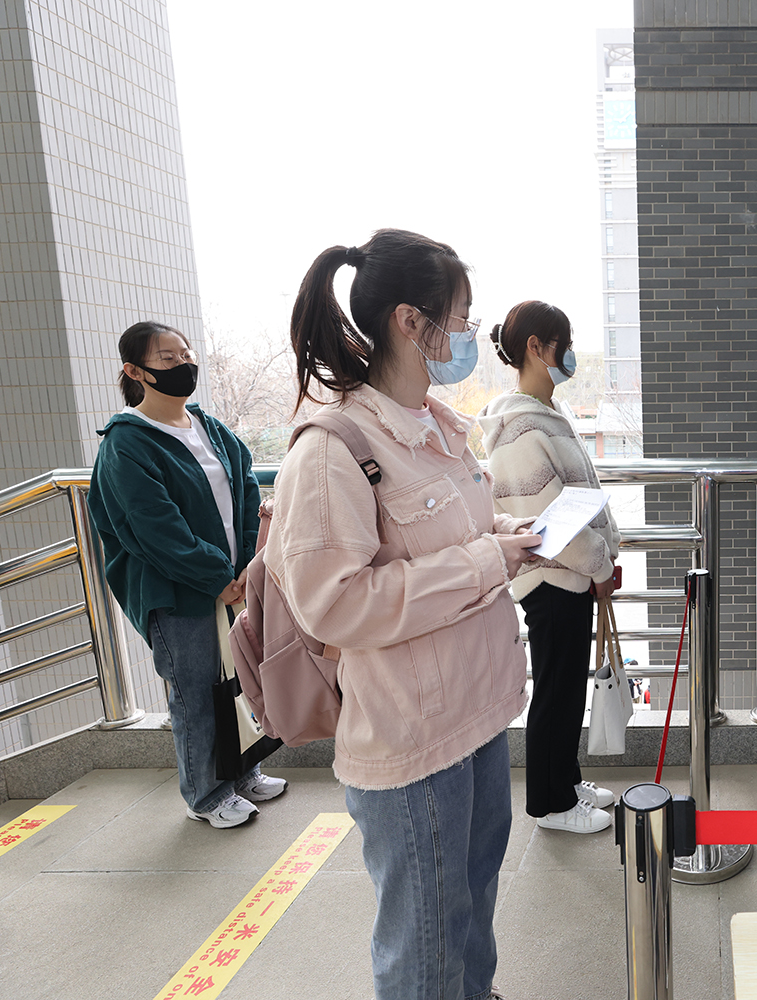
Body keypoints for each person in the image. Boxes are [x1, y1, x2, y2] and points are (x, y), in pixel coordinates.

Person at [267, 229, 541, 1000]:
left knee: (472, 914)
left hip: (476, 715)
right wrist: (487, 560)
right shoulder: (333, 448)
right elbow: (334, 604)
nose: (468, 335)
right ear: (409, 322)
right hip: (412, 742)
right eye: (459, 318)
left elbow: (450, 535)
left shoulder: (436, 429)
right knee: (425, 945)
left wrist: (508, 538)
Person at [88, 321, 284, 830]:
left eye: (186, 354)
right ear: (135, 371)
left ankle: (242, 772)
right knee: (194, 690)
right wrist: (216, 576)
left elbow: (245, 490)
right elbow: (154, 528)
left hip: (229, 583)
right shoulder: (126, 443)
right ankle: (206, 794)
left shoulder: (208, 426)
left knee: (236, 678)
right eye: (168, 358)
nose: (184, 365)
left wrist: (245, 566)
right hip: (177, 592)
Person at [476, 301, 621, 836]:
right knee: (556, 692)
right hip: (552, 577)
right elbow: (549, 520)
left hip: (569, 576)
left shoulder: (546, 414)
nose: (571, 354)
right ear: (536, 347)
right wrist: (600, 565)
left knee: (566, 690)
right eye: (564, 343)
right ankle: (550, 804)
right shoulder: (519, 427)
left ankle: (566, 781)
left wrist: (601, 562)